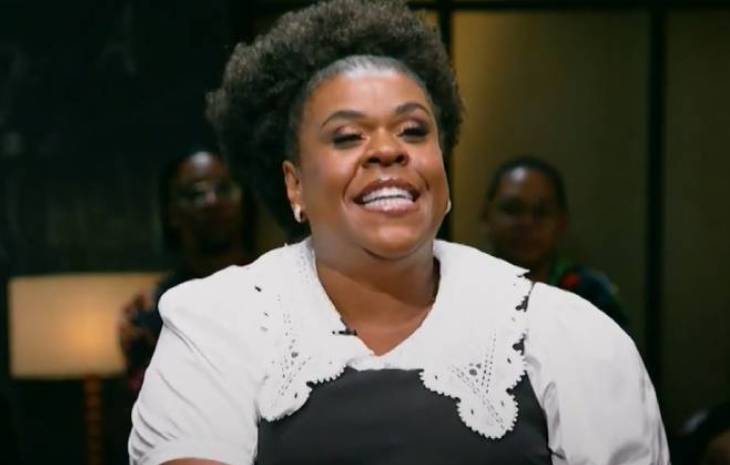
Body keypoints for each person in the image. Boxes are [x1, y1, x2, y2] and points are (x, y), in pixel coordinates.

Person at [129, 1, 669, 464]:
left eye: (414, 130)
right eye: (347, 136)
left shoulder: (571, 336)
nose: (388, 150)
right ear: (295, 185)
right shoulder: (216, 325)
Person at [119, 148, 251, 393]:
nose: (212, 201)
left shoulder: (281, 292)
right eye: (195, 194)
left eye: (223, 189)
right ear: (171, 213)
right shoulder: (147, 311)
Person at [483, 156, 629, 329]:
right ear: (486, 216)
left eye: (541, 212)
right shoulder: (465, 288)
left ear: (561, 223)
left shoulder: (591, 293)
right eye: (512, 209)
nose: (526, 223)